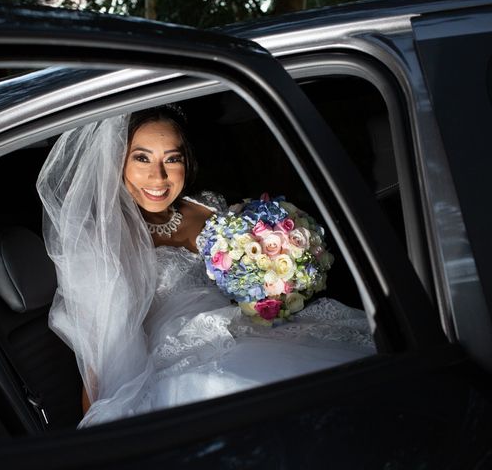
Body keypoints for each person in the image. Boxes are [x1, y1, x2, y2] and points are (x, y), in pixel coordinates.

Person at [36, 105, 375, 428]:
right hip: (182, 358)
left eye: (172, 158)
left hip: (246, 329)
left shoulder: (209, 208)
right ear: (117, 162)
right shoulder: (100, 242)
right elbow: (100, 355)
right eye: (141, 158)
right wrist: (102, 429)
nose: (159, 176)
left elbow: (245, 283)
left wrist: (274, 279)